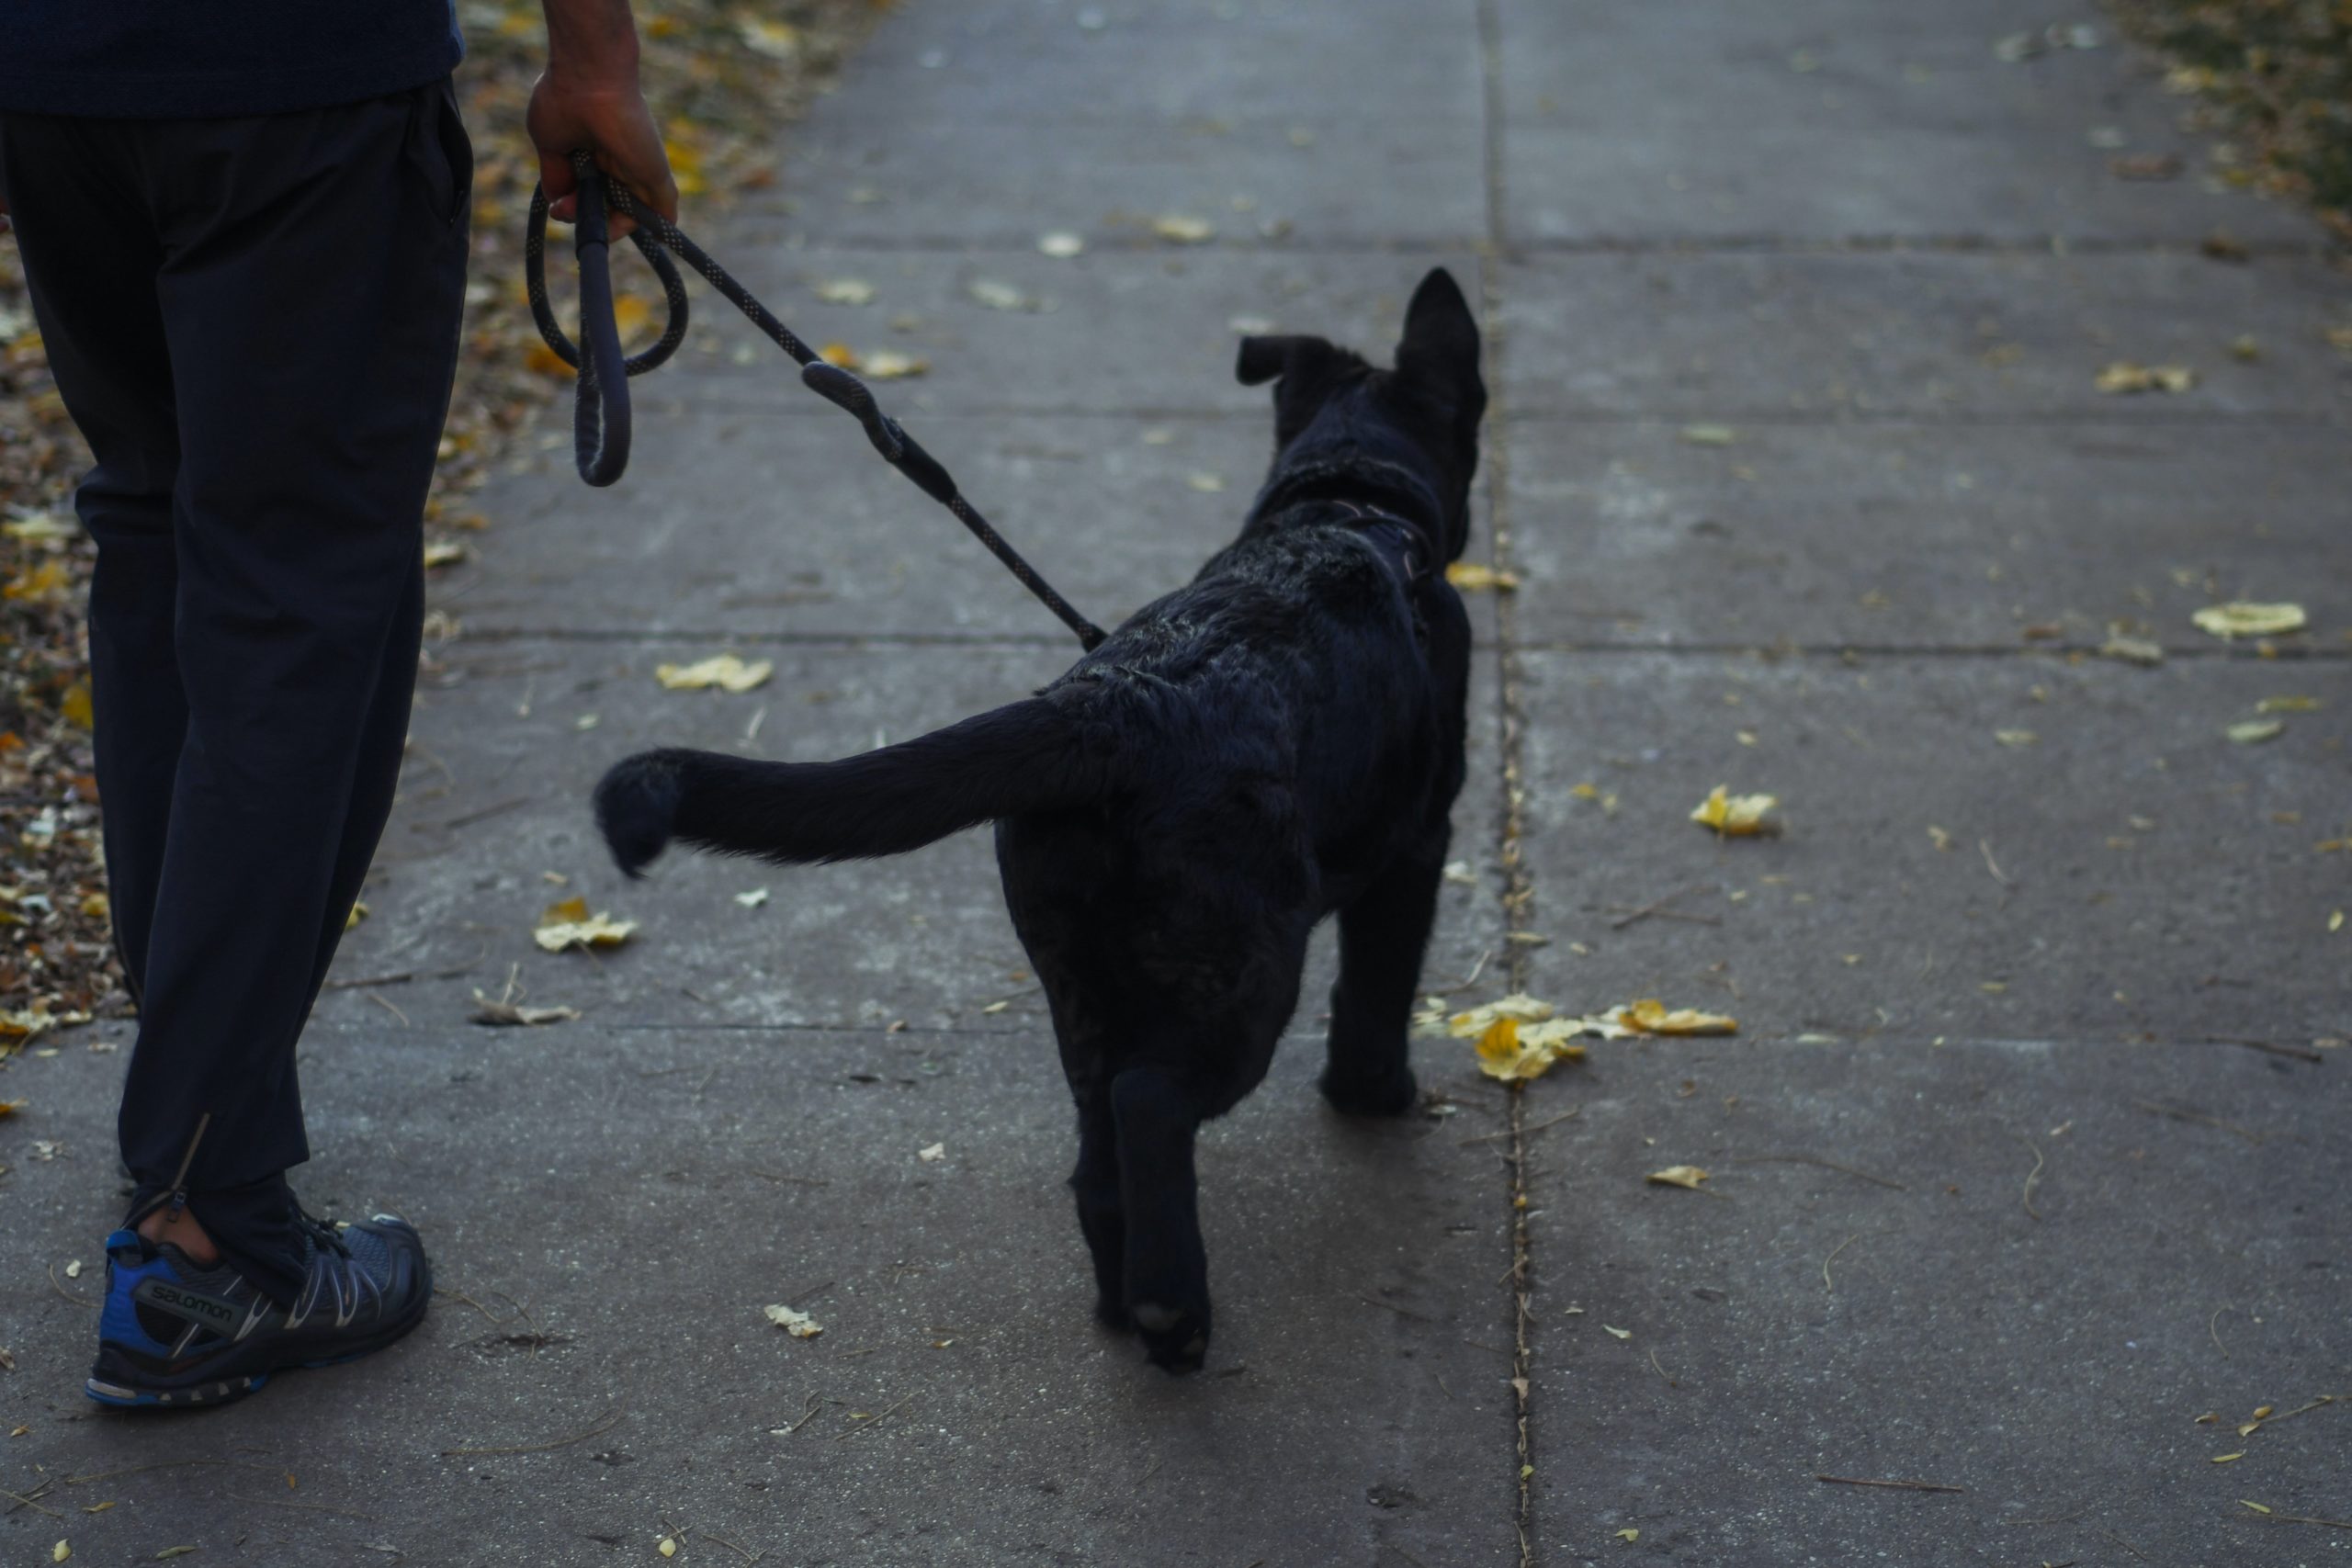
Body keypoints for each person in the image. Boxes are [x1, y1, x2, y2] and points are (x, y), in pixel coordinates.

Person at [0, 0, 676, 1408]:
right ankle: (208, 1236)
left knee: (162, 530)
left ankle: (191, 1129)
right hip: (295, 78)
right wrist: (596, 56)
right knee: (292, 588)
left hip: (59, 75)